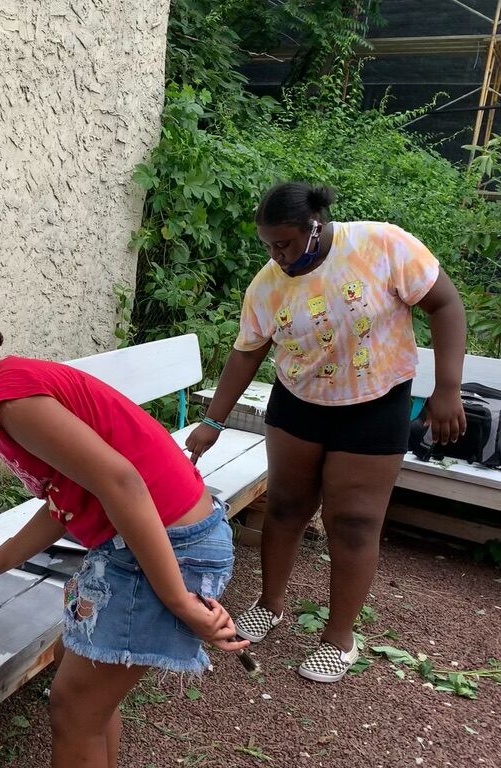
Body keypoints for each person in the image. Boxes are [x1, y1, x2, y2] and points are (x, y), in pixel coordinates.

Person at [0, 315, 247, 768]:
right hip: (151, 539)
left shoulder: (12, 400)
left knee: (74, 709)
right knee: (84, 690)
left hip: (167, 545)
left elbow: (122, 483)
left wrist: (177, 599)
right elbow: (65, 504)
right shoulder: (14, 385)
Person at [186, 181, 467, 683]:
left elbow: (445, 304)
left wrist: (448, 387)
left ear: (315, 225)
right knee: (288, 506)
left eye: (285, 243)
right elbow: (247, 350)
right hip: (299, 404)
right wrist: (213, 421)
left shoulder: (381, 245)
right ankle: (269, 604)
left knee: (354, 521)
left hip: (376, 403)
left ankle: (339, 638)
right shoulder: (268, 284)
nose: (276, 254)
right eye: (268, 245)